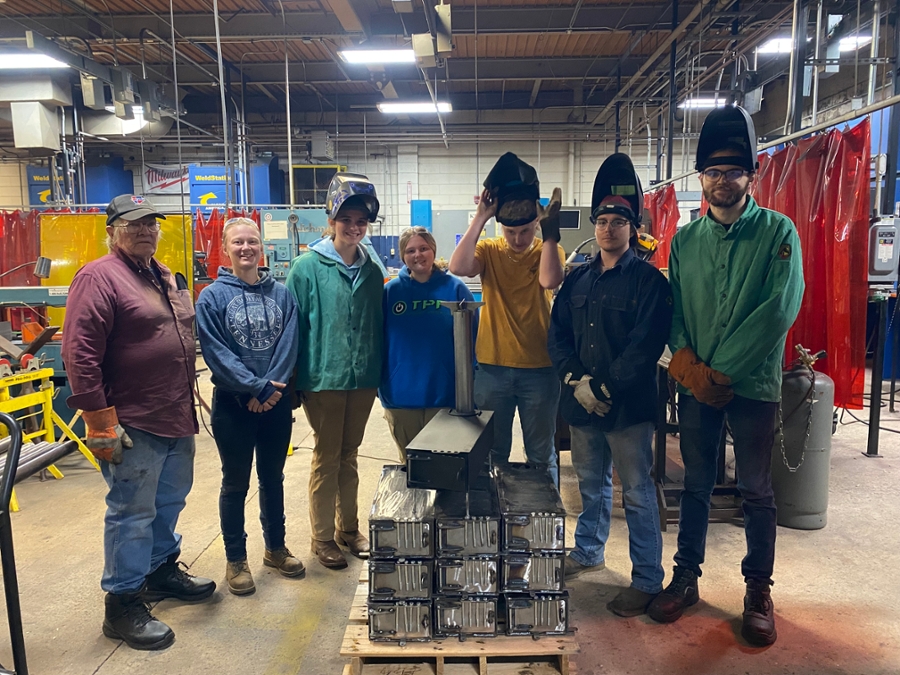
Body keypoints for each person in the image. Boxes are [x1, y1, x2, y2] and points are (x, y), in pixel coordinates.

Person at [647, 105, 805, 647]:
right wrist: (689, 368)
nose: (722, 181)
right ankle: (685, 577)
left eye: (733, 171)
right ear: (700, 178)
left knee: (756, 489)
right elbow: (675, 313)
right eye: (712, 172)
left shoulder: (778, 233)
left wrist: (722, 371)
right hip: (696, 387)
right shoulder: (686, 241)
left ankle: (758, 589)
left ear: (751, 174)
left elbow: (777, 310)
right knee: (693, 482)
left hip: (753, 386)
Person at [62, 194, 215, 651]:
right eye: (133, 224)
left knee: (169, 502)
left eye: (151, 222)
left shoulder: (161, 273)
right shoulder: (98, 277)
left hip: (174, 412)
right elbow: (79, 353)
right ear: (112, 231)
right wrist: (99, 420)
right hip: (131, 418)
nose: (145, 230)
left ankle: (160, 570)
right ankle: (123, 603)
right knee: (132, 512)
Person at [549, 153, 673, 617]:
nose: (607, 228)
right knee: (590, 483)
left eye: (618, 220)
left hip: (626, 409)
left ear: (632, 226)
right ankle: (588, 551)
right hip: (582, 406)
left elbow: (645, 345)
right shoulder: (577, 279)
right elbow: (557, 334)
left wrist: (602, 389)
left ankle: (646, 578)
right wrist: (576, 381)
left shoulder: (648, 282)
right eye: (601, 220)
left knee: (637, 492)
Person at [196, 217, 304, 596]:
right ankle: (236, 558)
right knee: (235, 483)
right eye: (238, 242)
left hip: (273, 403)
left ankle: (275, 549)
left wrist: (270, 390)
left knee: (273, 478)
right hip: (233, 404)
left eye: (252, 242)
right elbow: (216, 352)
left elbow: (290, 342)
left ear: (262, 248)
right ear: (226, 249)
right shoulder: (211, 297)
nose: (246, 248)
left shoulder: (282, 294)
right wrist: (255, 387)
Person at [285, 172, 384, 570]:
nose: (354, 228)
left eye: (361, 221)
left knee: (350, 454)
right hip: (322, 379)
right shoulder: (306, 268)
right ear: (331, 220)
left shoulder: (373, 269)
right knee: (326, 457)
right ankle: (322, 537)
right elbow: (292, 329)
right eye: (347, 220)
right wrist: (291, 381)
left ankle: (349, 529)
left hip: (362, 380)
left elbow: (378, 323)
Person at [448, 152, 566, 482]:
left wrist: (550, 231)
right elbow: (458, 267)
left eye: (525, 231)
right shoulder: (489, 250)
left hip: (539, 370)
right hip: (492, 368)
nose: (517, 239)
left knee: (541, 455)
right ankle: (497, 520)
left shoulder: (548, 249)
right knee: (492, 452)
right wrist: (480, 218)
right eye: (510, 232)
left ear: (536, 225)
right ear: (501, 228)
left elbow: (548, 280)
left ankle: (544, 527)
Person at [380, 226, 475, 460]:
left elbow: (474, 337)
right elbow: (377, 340)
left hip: (443, 394)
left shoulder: (455, 289)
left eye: (423, 248)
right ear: (403, 256)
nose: (418, 255)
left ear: (433, 250)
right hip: (400, 396)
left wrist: (468, 381)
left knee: (442, 466)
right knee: (410, 467)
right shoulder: (390, 292)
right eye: (410, 250)